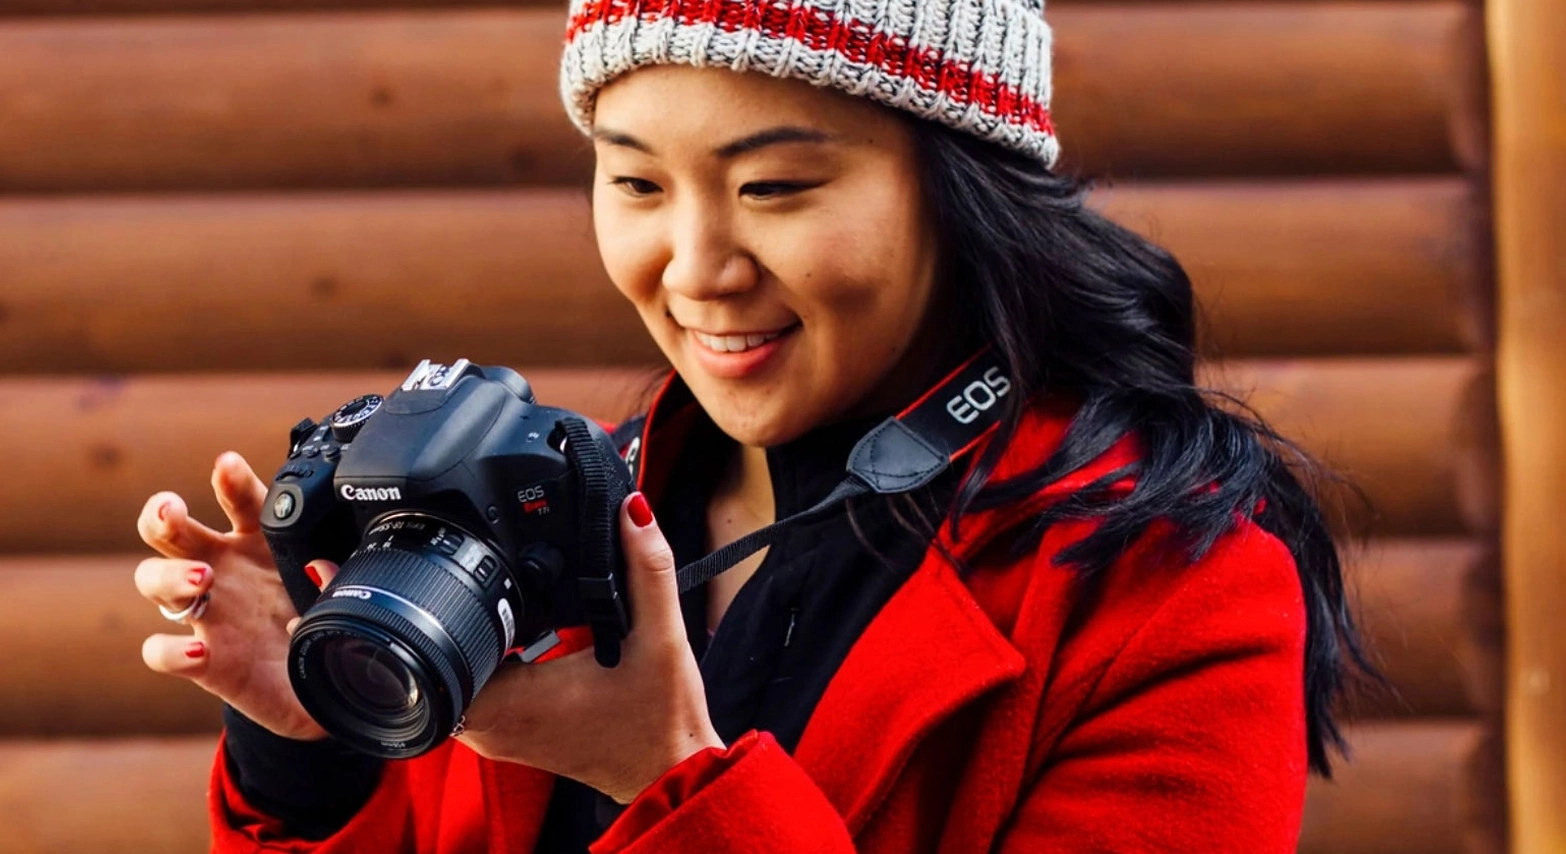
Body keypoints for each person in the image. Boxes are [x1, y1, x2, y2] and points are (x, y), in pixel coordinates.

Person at [133, 0, 1370, 849]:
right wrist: (303, 746)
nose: (697, 266)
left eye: (774, 187)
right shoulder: (563, 514)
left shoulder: (1172, 595)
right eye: (635, 183)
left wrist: (668, 779)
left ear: (963, 188)